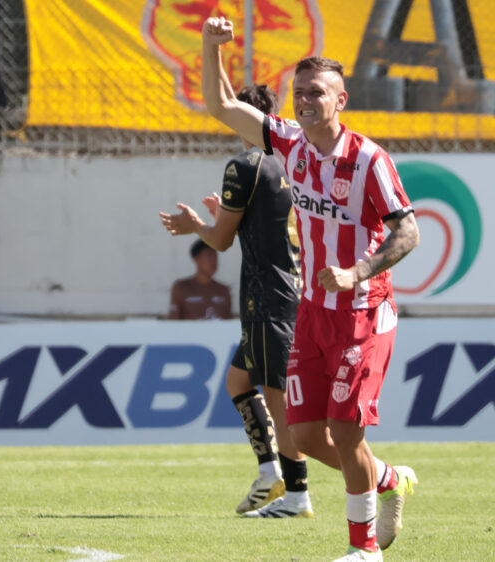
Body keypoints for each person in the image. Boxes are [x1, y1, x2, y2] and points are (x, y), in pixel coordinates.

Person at [199, 17, 421, 562]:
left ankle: (364, 549)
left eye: (316, 93)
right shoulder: (291, 144)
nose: (303, 101)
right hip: (312, 312)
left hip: (363, 313)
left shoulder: (369, 160)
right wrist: (210, 49)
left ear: (340, 100)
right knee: (301, 439)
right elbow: (223, 108)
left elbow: (408, 230)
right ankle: (388, 478)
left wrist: (358, 272)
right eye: (298, 92)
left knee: (345, 431)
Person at [159, 84, 313, 519]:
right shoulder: (295, 161)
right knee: (238, 382)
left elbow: (220, 241)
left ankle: (298, 495)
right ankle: (269, 474)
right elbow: (261, 223)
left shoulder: (246, 164)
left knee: (276, 398)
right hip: (291, 290)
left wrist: (196, 225)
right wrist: (223, 217)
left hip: (267, 297)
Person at [168, 239, 232, 320]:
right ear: (196, 259)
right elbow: (173, 323)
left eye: (215, 256)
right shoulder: (181, 288)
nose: (213, 261)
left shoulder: (224, 290)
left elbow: (229, 324)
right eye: (209, 256)